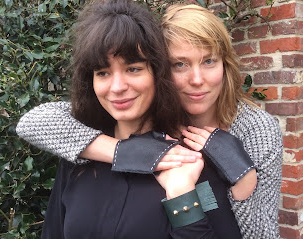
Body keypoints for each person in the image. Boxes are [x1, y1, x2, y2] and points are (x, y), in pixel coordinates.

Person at [16, 2, 283, 239]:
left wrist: (243, 181)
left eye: (133, 68)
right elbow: (36, 122)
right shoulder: (81, 151)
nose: (197, 79)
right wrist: (124, 151)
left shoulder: (237, 140)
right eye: (179, 64)